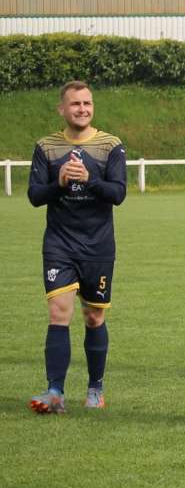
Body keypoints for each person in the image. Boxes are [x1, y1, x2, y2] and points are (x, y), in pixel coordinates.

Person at [27, 80, 127, 413]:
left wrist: (89, 179)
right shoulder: (46, 147)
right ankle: (55, 391)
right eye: (75, 104)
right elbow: (34, 196)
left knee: (93, 316)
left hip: (98, 246)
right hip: (59, 244)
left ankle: (95, 387)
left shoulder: (110, 145)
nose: (82, 109)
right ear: (62, 109)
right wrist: (59, 183)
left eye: (87, 103)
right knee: (59, 312)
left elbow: (118, 193)